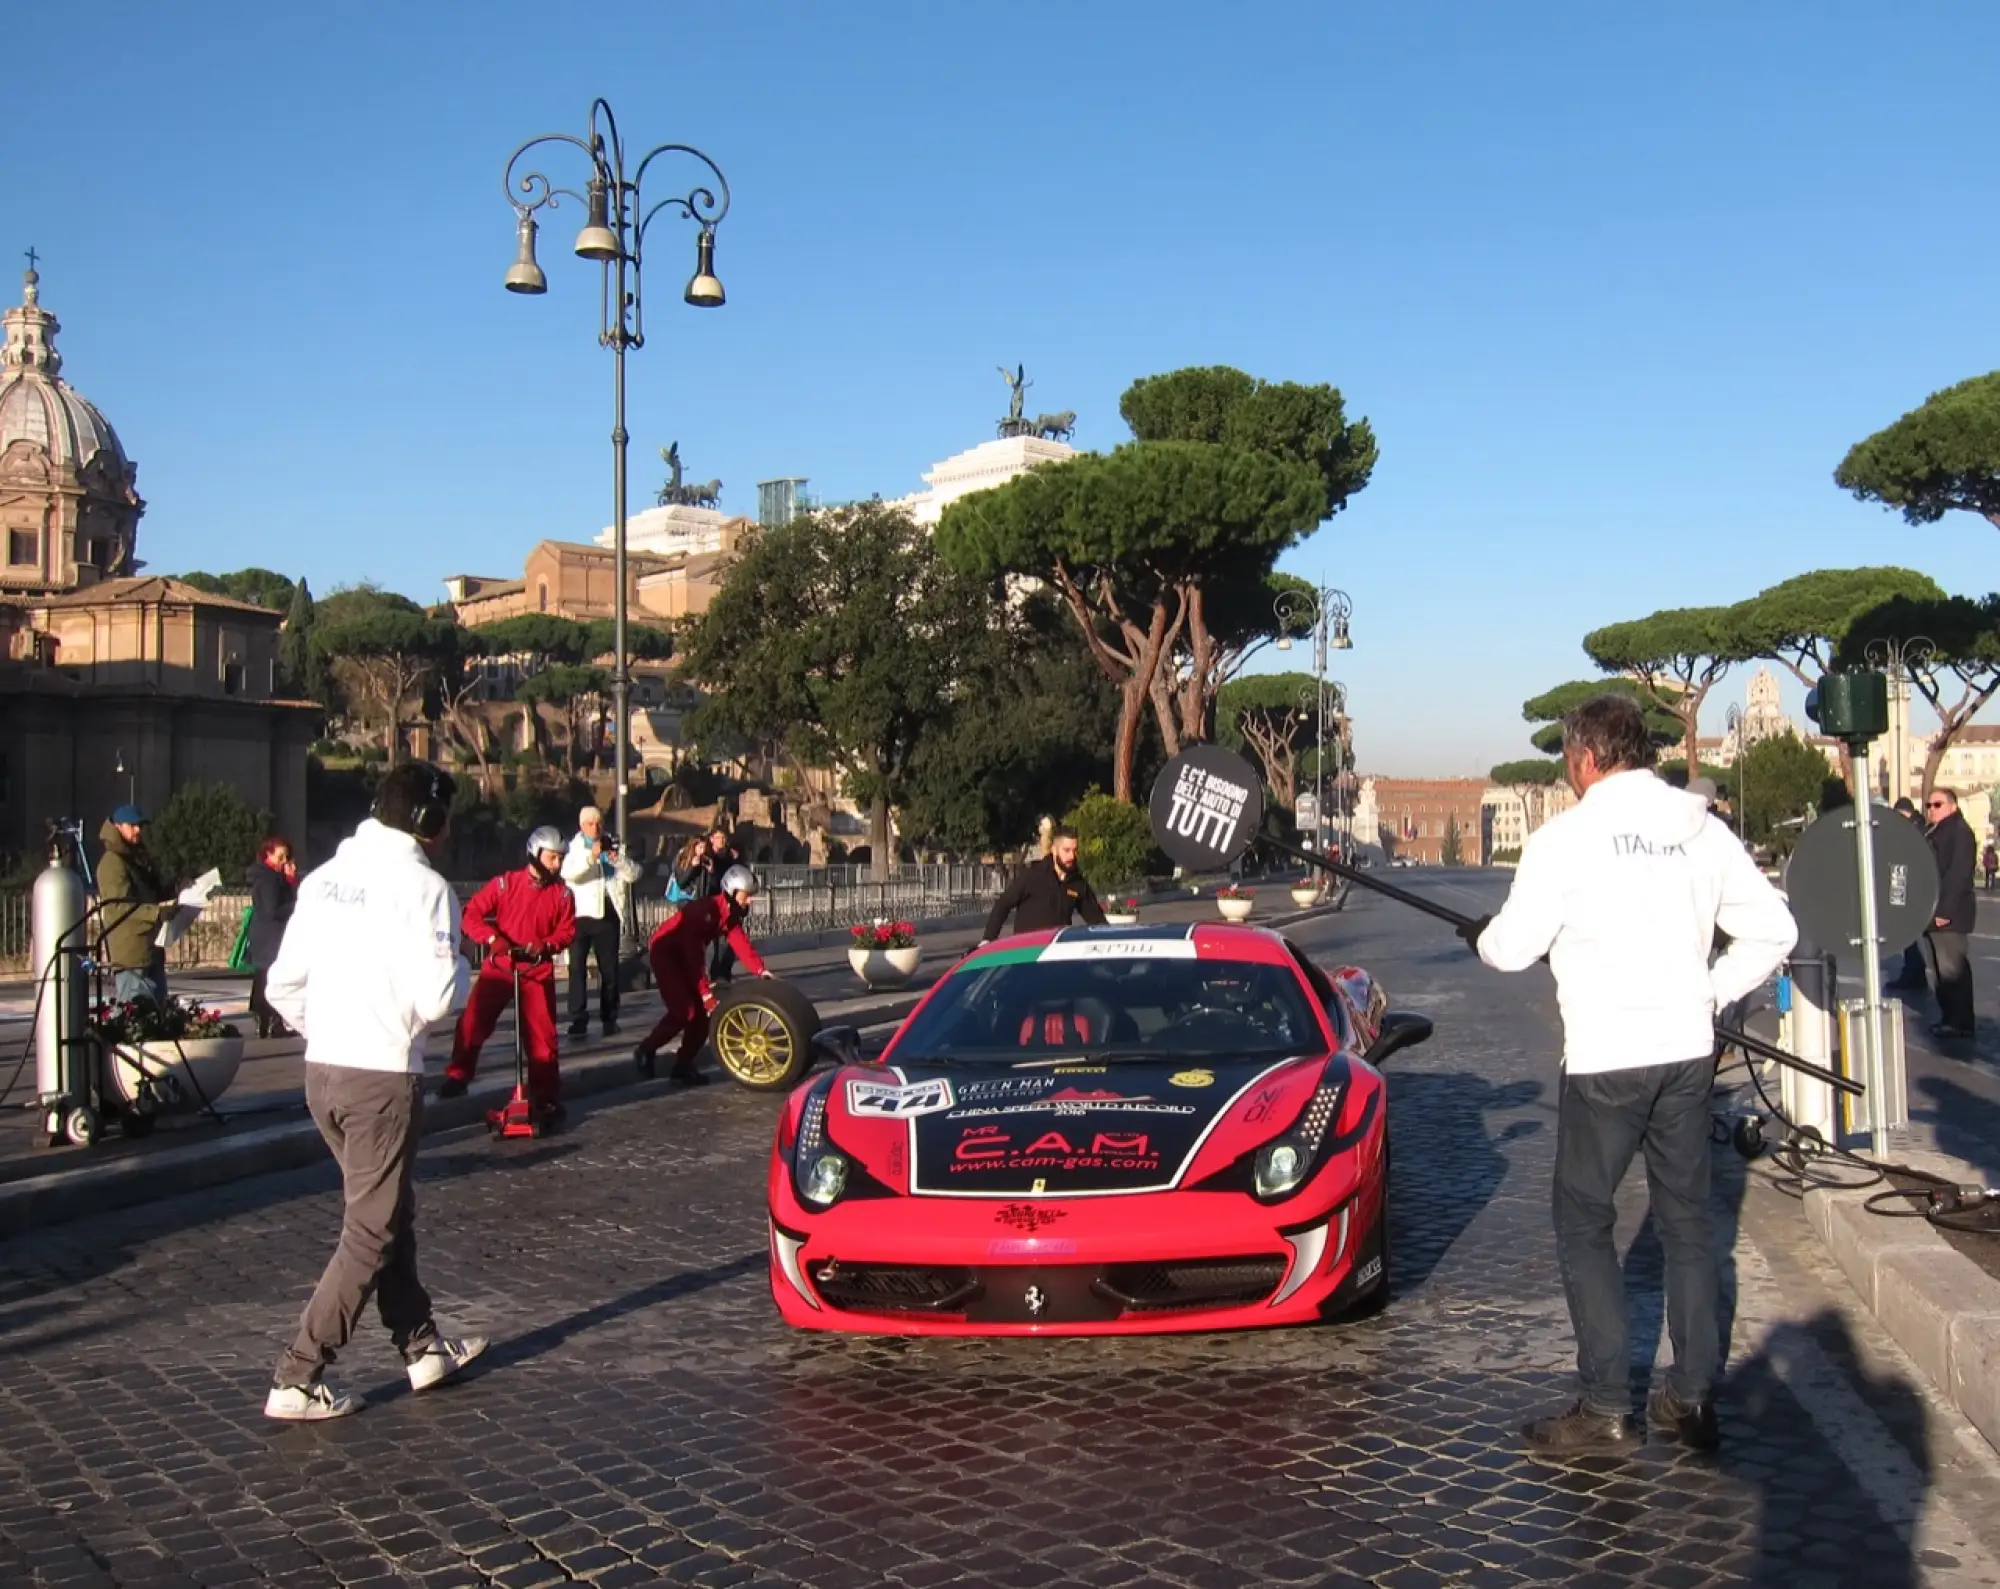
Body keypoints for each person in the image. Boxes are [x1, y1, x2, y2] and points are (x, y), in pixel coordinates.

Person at [1457, 695, 1796, 1454]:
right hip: (1684, 1052)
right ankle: (1693, 1396)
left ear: (1582, 759)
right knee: (1689, 1226)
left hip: (1608, 1056)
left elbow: (1512, 948)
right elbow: (1775, 928)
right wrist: (1711, 986)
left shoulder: (1564, 839)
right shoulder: (1701, 829)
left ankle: (1608, 1405)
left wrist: (1482, 937)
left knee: (1584, 1220)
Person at [260, 761, 484, 1421]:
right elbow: (439, 997)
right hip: (382, 1075)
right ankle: (298, 1373)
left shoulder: (325, 879)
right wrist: (467, 966)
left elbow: (281, 985)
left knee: (389, 1211)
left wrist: (327, 1027)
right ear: (429, 820)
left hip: (322, 1068)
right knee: (370, 1227)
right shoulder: (427, 888)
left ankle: (421, 1346)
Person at [439, 826, 578, 1116]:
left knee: (543, 1037)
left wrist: (546, 945)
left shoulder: (563, 894)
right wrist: (493, 939)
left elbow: (567, 931)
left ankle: (545, 1093)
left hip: (537, 970)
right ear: (535, 854)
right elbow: (471, 915)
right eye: (553, 858)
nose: (558, 864)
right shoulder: (505, 884)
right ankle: (458, 1074)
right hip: (500, 966)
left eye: (561, 859)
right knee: (473, 1021)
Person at [633, 863, 773, 1086]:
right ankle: (645, 1050)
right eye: (747, 896)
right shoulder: (705, 911)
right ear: (733, 891)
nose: (750, 901)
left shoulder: (729, 912)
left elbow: (739, 942)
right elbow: (694, 957)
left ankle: (683, 1065)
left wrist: (760, 970)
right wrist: (705, 993)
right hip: (666, 954)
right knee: (684, 1011)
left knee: (701, 1018)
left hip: (685, 956)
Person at [562, 806, 633, 1040]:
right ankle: (578, 1019)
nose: (595, 828)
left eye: (599, 823)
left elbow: (633, 874)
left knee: (609, 970)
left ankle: (610, 1018)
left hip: (606, 914)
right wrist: (591, 856)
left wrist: (618, 861)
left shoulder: (611, 846)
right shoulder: (573, 849)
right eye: (590, 824)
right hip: (580, 915)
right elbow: (569, 873)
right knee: (577, 969)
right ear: (582, 826)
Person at [95, 803, 174, 1008]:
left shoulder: (135, 858)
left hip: (149, 947)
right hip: (131, 952)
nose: (138, 830)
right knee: (134, 1013)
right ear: (118, 826)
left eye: (140, 826)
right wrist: (157, 913)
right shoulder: (113, 862)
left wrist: (177, 888)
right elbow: (118, 907)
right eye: (132, 825)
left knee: (156, 1011)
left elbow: (150, 893)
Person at [981, 825, 1108, 942]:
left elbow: (1096, 920)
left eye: (1075, 850)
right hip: (1027, 950)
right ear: (1054, 850)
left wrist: (1108, 940)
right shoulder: (1033, 875)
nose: (1072, 856)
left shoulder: (1078, 883)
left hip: (1056, 951)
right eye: (1067, 850)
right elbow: (1003, 904)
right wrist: (988, 939)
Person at [1923, 787, 1977, 1040]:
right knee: (1939, 969)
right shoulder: (1933, 831)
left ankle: (1961, 1021)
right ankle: (1949, 1018)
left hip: (1949, 916)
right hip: (1932, 914)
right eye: (1929, 805)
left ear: (1952, 806)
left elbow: (1958, 875)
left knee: (1952, 969)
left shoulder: (1960, 833)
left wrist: (1944, 911)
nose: (1932, 809)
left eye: (1938, 804)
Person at [246, 837, 300, 1039]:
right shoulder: (270, 879)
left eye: (287, 856)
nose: (284, 861)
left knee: (264, 978)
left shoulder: (267, 876)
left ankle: (266, 1021)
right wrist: (295, 895)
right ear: (268, 855)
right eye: (280, 856)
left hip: (265, 935)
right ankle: (271, 1022)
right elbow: (273, 909)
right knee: (271, 979)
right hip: (272, 936)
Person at [1887, 798, 1931, 991]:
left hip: (1913, 889)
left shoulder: (1916, 830)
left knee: (1912, 935)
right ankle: (1914, 973)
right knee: (1909, 936)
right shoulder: (1913, 828)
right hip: (1908, 886)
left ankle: (1914, 973)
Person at [701, 825, 743, 986]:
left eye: (724, 838)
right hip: (713, 902)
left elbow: (738, 874)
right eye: (719, 838)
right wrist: (712, 871)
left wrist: (737, 859)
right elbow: (710, 883)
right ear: (711, 839)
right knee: (716, 943)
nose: (722, 841)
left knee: (730, 941)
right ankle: (715, 974)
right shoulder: (708, 857)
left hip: (729, 901)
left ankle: (724, 973)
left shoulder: (730, 856)